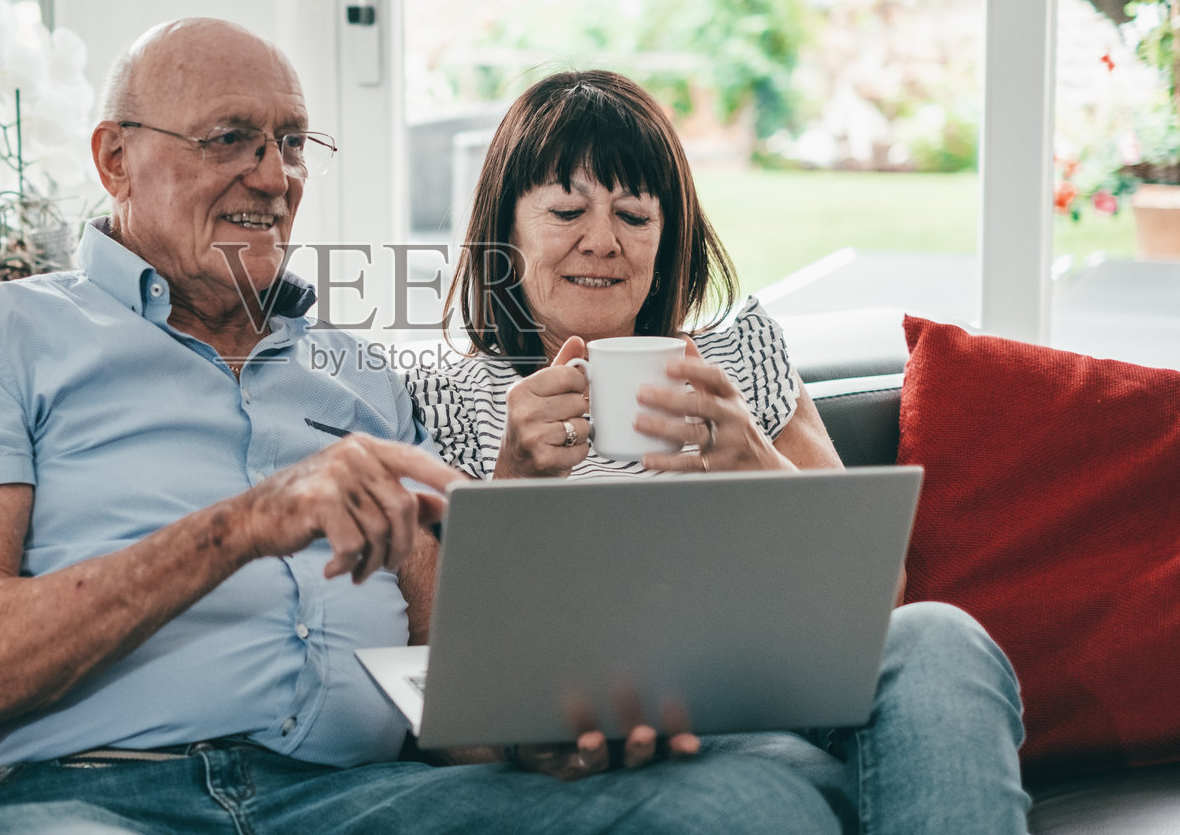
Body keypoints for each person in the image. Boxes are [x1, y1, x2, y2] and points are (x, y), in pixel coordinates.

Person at [0, 22, 844, 835]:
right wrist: (241, 524)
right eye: (229, 139)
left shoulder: (364, 376)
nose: (272, 174)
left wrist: (530, 732)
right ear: (115, 157)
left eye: (291, 143)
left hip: (354, 801)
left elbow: (445, 682)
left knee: (755, 800)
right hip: (80, 796)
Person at [406, 69, 1032, 833]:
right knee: (789, 801)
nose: (601, 241)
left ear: (668, 235)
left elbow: (880, 600)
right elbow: (448, 689)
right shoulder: (449, 398)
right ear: (504, 229)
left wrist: (756, 463)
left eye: (634, 215)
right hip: (618, 748)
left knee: (940, 635)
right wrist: (514, 478)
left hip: (787, 696)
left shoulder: (739, 353)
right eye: (567, 209)